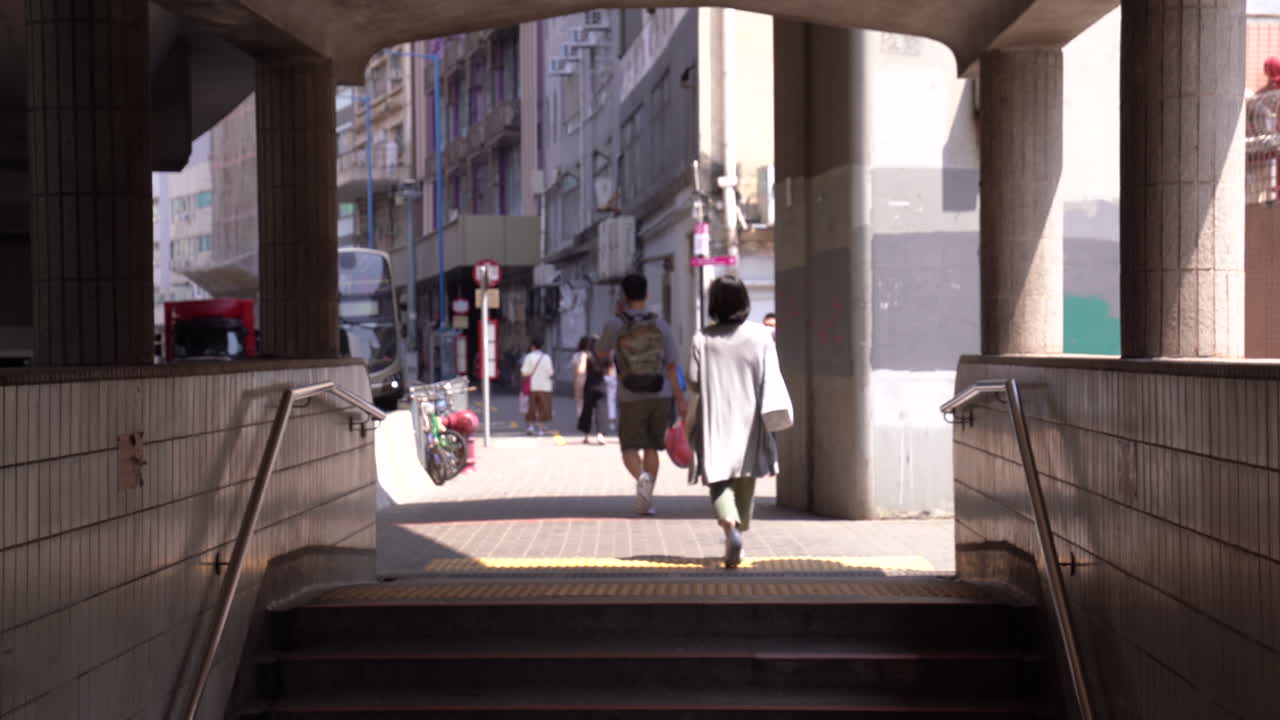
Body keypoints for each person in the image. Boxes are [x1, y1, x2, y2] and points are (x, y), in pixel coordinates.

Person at [686, 276, 790, 569]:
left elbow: (693, 380)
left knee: (719, 480)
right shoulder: (761, 336)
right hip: (750, 419)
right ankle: (739, 534)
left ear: (714, 305)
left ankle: (729, 528)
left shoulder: (702, 338)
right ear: (745, 302)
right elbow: (771, 375)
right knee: (746, 477)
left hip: (715, 419)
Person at [598, 274, 687, 515]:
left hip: (629, 394)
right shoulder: (660, 325)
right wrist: (680, 398)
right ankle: (648, 500)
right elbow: (672, 364)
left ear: (624, 296)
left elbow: (601, 353)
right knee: (651, 447)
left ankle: (641, 478)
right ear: (647, 295)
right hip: (660, 393)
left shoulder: (615, 324)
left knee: (629, 447)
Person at [576, 335, 608, 445]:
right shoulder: (604, 355)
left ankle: (586, 435)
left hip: (589, 386)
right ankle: (600, 435)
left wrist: (584, 359)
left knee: (587, 410)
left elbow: (580, 371)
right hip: (602, 385)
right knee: (601, 410)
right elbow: (610, 372)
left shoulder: (586, 355)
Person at [520, 339, 554, 436]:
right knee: (543, 408)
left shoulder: (529, 356)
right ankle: (541, 429)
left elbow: (524, 372)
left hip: (532, 386)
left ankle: (531, 426)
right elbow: (551, 372)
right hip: (545, 386)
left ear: (532, 346)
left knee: (531, 407)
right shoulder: (547, 357)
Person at [570, 336, 592, 419]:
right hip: (590, 379)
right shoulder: (592, 355)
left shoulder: (576, 356)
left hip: (579, 379)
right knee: (589, 401)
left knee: (579, 401)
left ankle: (580, 417)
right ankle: (588, 417)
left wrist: (574, 382)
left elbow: (574, 371)